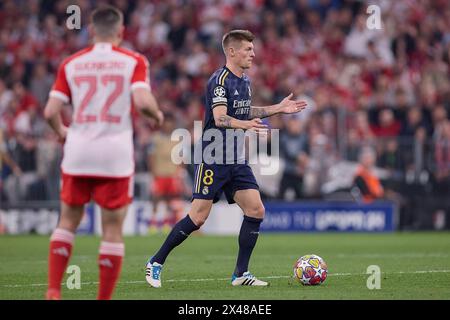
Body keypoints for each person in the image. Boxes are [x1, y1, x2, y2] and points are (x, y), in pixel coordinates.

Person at [145, 30, 307, 288]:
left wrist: (277, 108)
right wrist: (245, 125)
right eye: (247, 49)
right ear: (231, 52)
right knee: (198, 218)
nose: (253, 53)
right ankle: (155, 262)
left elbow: (245, 110)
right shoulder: (218, 80)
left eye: (253, 49)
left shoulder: (245, 81)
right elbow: (220, 117)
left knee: (256, 209)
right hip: (213, 157)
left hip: (236, 158)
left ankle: (241, 274)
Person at [43, 5, 163, 300]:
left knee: (67, 221)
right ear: (121, 33)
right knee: (111, 228)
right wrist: (156, 115)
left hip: (78, 150)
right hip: (115, 154)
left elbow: (50, 112)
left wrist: (61, 132)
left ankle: (54, 290)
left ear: (92, 31)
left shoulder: (71, 63)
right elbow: (142, 101)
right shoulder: (133, 60)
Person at [147, 113, 185, 234]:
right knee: (156, 199)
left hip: (172, 174)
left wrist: (179, 172)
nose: (168, 125)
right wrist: (153, 172)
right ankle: (153, 224)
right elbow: (151, 156)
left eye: (170, 123)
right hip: (159, 174)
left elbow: (182, 157)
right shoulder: (155, 138)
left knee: (170, 199)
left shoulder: (178, 139)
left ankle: (166, 224)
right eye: (166, 122)